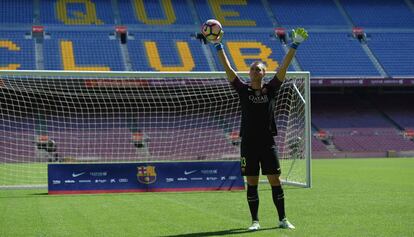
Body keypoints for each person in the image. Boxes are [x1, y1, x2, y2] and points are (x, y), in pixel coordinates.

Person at [201, 27, 308, 230]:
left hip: (268, 143)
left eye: (259, 69)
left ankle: (283, 219)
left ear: (264, 73)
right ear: (249, 73)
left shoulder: (271, 89)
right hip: (248, 144)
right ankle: (255, 221)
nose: (255, 71)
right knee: (252, 182)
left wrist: (294, 45)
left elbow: (283, 68)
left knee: (276, 180)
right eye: (252, 69)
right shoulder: (243, 90)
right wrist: (218, 46)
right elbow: (228, 69)